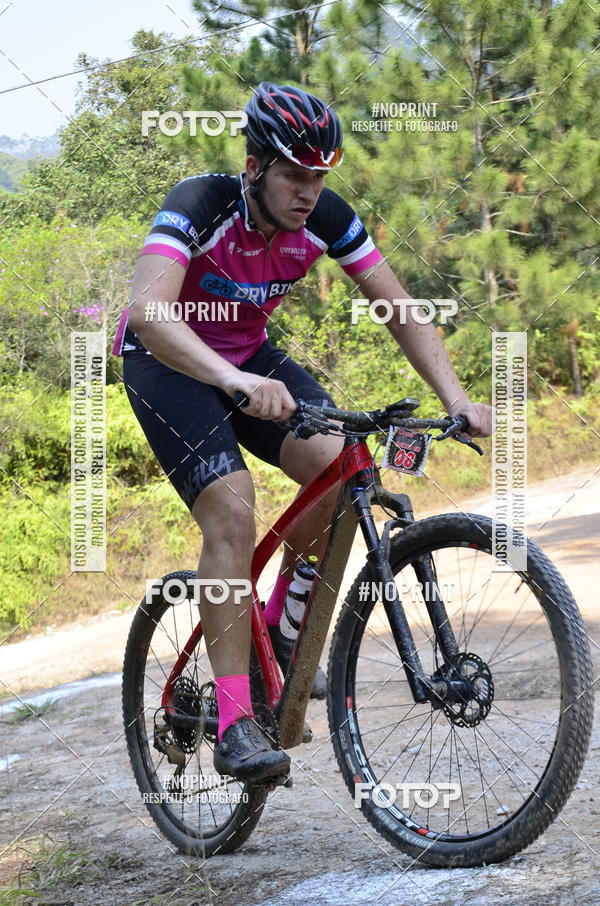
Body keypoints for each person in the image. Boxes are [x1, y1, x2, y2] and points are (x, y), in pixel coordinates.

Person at [112, 81, 493, 783]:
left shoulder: (327, 218)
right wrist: (232, 383)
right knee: (231, 506)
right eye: (294, 174)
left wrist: (459, 396)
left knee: (345, 468)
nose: (308, 192)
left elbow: (400, 307)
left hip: (250, 358)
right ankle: (233, 722)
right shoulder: (200, 203)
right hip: (167, 361)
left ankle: (284, 641)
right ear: (255, 166)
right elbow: (148, 314)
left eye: (320, 176)